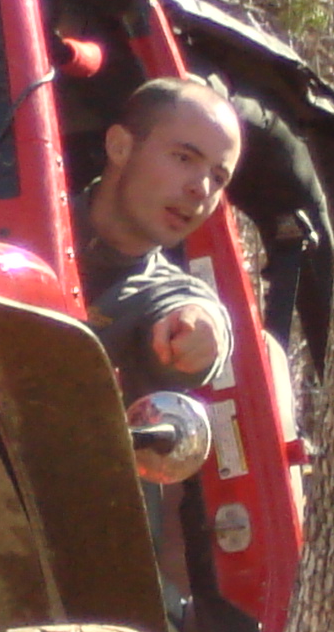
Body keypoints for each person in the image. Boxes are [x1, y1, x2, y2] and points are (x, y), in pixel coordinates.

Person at [78, 76, 238, 394]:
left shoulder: (161, 294)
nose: (201, 189)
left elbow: (192, 308)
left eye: (218, 178)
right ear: (120, 146)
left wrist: (205, 328)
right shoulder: (12, 225)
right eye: (184, 158)